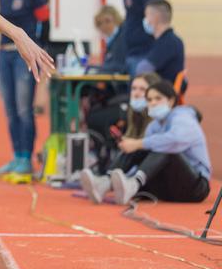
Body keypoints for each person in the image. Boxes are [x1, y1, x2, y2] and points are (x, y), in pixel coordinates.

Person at [82, 80, 210, 205]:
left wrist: (138, 143)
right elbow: (147, 158)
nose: (153, 103)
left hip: (196, 188)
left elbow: (175, 141)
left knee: (161, 148)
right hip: (169, 186)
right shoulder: (153, 126)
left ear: (171, 101)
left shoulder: (183, 117)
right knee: (139, 148)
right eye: (149, 100)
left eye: (158, 98)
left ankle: (133, 184)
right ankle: (105, 183)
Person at [0, 0, 50, 176]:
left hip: (23, 56)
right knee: (10, 110)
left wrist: (40, 49)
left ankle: (26, 158)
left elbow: (45, 20)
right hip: (4, 54)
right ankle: (16, 156)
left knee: (24, 108)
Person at [82, 72, 160, 197]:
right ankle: (105, 181)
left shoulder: (159, 116)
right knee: (129, 147)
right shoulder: (134, 112)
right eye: (134, 89)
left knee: (136, 147)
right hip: (145, 169)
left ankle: (110, 181)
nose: (136, 93)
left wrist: (135, 144)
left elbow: (160, 149)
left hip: (162, 172)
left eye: (142, 89)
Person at [135, 0, 185, 85]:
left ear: (156, 17)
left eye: (146, 16)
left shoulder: (168, 42)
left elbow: (143, 68)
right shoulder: (167, 40)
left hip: (162, 91)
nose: (145, 20)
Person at [91, 5, 126, 74]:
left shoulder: (122, 38)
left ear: (116, 19)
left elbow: (119, 65)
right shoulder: (111, 40)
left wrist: (97, 69)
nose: (104, 26)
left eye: (107, 21)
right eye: (99, 23)